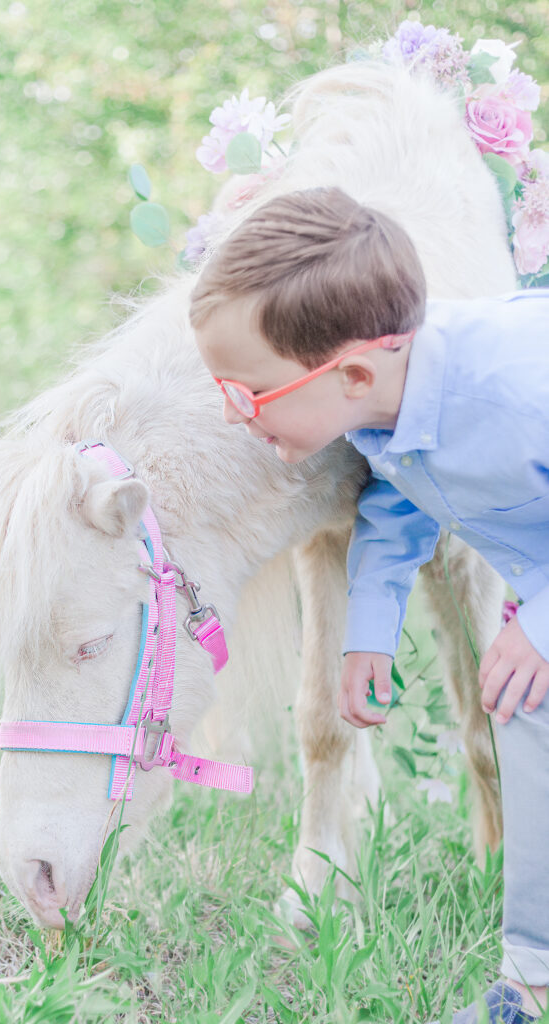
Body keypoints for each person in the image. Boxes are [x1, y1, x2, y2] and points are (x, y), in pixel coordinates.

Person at [189, 185, 549, 1024]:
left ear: (349, 372)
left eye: (245, 394)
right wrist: (367, 639)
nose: (232, 415)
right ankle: (533, 982)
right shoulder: (387, 407)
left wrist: (539, 622)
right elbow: (398, 507)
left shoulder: (511, 389)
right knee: (526, 707)